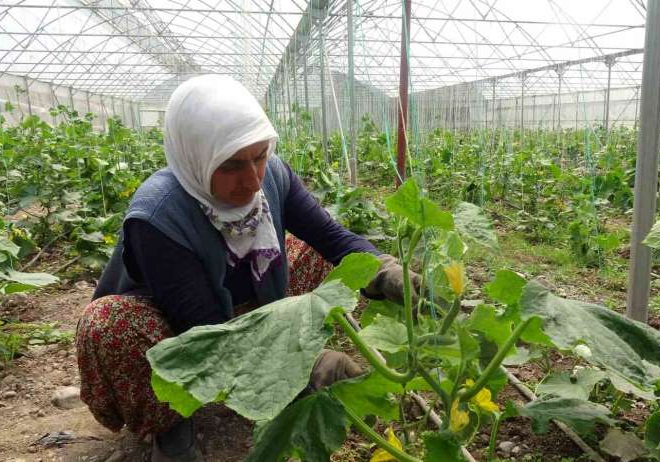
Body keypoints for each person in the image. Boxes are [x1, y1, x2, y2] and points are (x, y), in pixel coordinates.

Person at [75, 75, 413, 462]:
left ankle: (274, 371)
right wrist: (304, 364)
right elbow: (204, 328)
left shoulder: (274, 176)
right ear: (195, 156)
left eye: (259, 156)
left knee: (317, 252)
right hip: (172, 329)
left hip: (247, 302)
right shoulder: (158, 215)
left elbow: (331, 237)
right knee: (108, 325)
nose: (253, 179)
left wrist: (385, 270)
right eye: (233, 165)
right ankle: (168, 423)